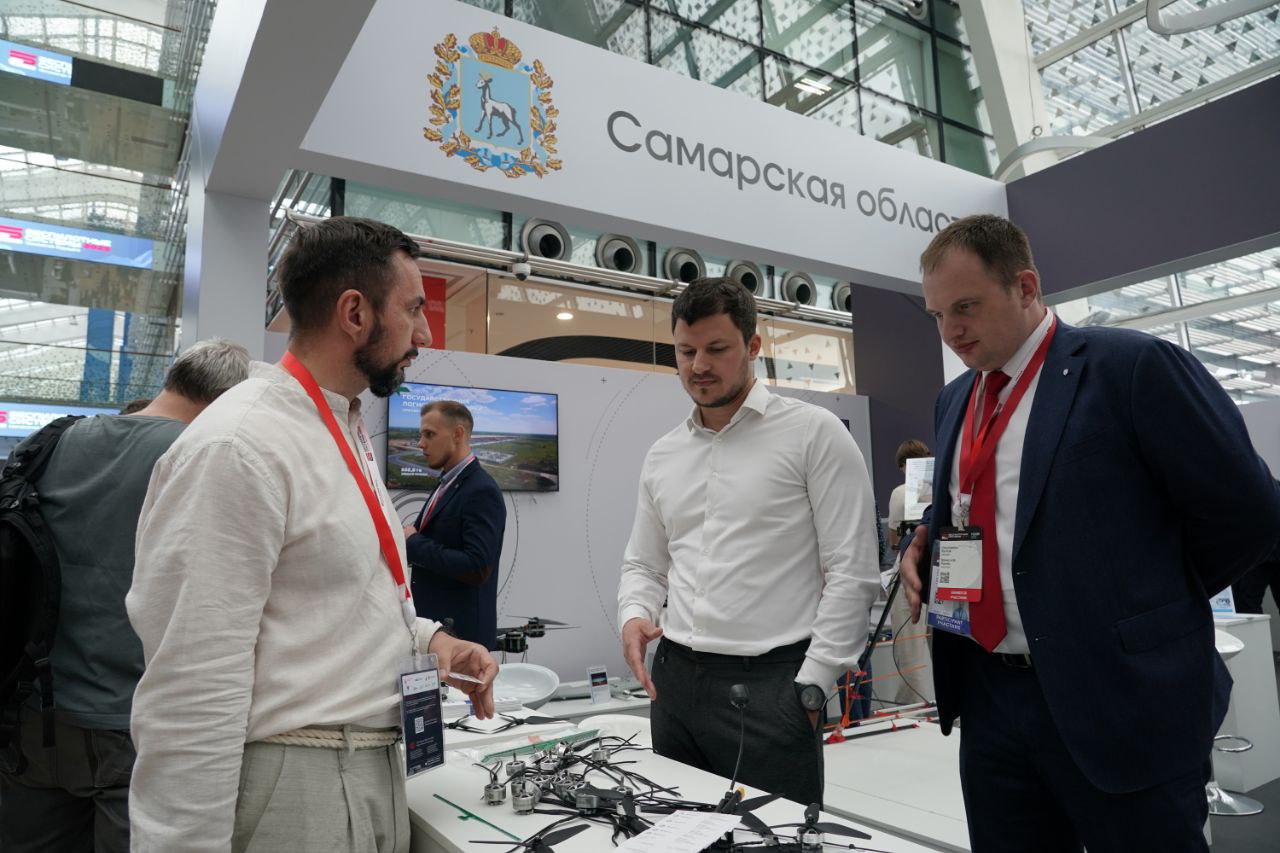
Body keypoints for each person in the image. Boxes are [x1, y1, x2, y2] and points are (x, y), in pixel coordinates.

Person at [898, 214, 1280, 852]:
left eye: (965, 306)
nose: (950, 331)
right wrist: (926, 543)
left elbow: (1250, 512)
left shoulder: (1131, 367)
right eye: (937, 314)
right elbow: (975, 509)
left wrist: (1151, 597)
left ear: (1025, 287)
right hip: (991, 699)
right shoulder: (955, 399)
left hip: (1121, 697)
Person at [126, 216, 499, 853]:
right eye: (413, 309)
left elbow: (342, 599)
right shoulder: (240, 445)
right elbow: (192, 684)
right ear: (355, 313)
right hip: (299, 786)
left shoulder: (339, 426)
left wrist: (431, 642)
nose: (425, 333)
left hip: (365, 771)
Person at [617, 277, 880, 807]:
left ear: (753, 345)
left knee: (775, 838)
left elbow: (853, 571)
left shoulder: (814, 434)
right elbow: (645, 563)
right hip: (674, 680)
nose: (698, 366)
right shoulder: (664, 454)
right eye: (685, 351)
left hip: (772, 685)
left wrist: (814, 684)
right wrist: (633, 614)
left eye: (717, 349)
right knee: (678, 833)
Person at [0, 338, 250, 853]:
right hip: (133, 723)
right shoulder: (198, 457)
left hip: (34, 713)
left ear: (174, 377)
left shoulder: (57, 440)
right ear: (226, 401)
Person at [403, 400, 506, 648]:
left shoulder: (481, 490)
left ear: (458, 434)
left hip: (462, 638)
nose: (421, 444)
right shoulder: (448, 482)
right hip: (437, 630)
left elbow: (477, 567)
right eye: (421, 435)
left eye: (429, 434)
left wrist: (413, 543)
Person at [886, 438, 931, 549]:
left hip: (909, 551)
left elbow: (894, 542)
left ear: (902, 465)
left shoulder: (899, 493)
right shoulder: (941, 488)